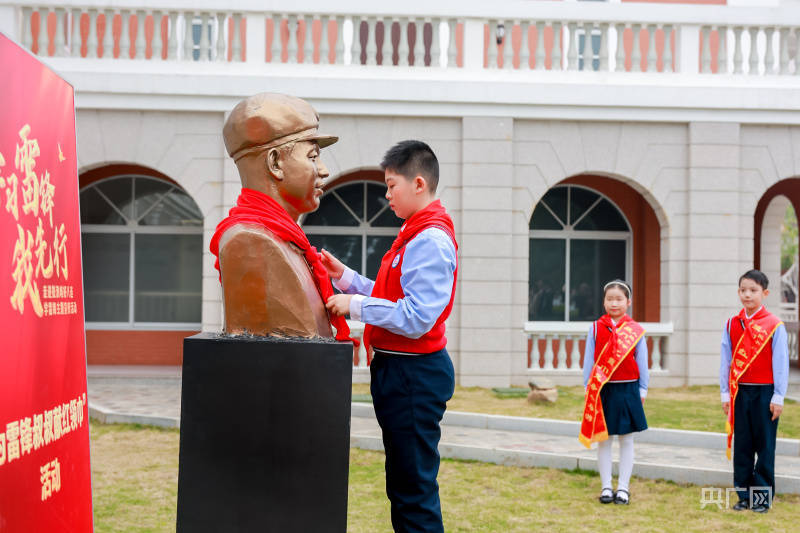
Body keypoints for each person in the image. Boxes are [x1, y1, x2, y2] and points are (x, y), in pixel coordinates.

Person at [323, 140, 457, 532]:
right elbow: (390, 297)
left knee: (413, 489)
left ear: (418, 183)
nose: (386, 195)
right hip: (402, 372)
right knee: (403, 484)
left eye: (390, 185)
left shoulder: (428, 239)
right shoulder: (414, 233)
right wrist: (344, 278)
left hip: (413, 376)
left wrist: (355, 307)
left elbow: (416, 317)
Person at [209, 93, 351, 341]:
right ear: (275, 163)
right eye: (312, 157)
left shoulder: (287, 240)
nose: (324, 171)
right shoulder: (250, 241)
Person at [720, 269, 789, 513]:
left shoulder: (774, 325)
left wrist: (778, 396)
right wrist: (725, 394)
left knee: (765, 445)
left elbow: (780, 364)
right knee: (743, 445)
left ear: (765, 293)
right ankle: (743, 495)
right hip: (740, 393)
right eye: (743, 290)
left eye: (753, 290)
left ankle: (761, 497)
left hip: (765, 393)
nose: (747, 295)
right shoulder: (732, 323)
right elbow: (726, 361)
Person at [579, 280, 649, 505]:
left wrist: (643, 389)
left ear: (628, 302)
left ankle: (624, 488)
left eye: (619, 299)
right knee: (604, 440)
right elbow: (589, 360)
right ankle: (607, 486)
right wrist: (587, 387)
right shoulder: (596, 328)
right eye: (610, 299)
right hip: (603, 389)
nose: (614, 303)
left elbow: (643, 361)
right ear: (604, 302)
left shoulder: (636, 331)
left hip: (629, 389)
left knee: (626, 440)